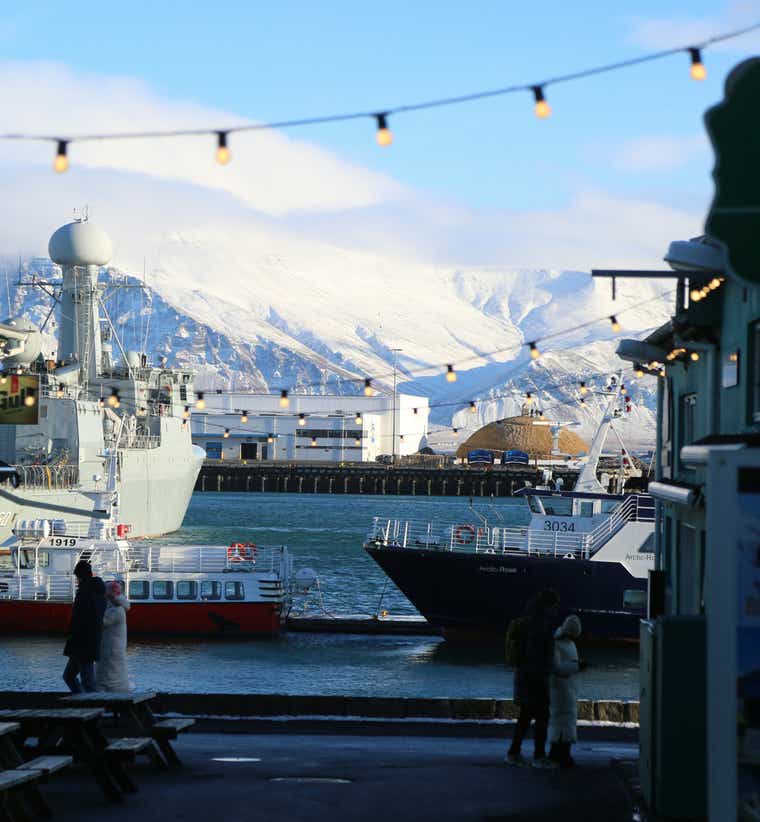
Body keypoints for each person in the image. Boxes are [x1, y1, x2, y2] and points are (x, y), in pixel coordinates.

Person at [506, 589, 560, 769]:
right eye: (554, 606)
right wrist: (546, 675)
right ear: (547, 606)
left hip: (524, 676)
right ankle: (539, 756)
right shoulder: (541, 625)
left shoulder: (528, 619)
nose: (555, 610)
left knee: (526, 716)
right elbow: (539, 654)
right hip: (535, 679)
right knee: (542, 717)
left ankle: (514, 753)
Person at [62, 560, 104, 693]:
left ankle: (93, 707)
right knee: (70, 676)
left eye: (77, 577)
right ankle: (82, 701)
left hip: (82, 643)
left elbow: (79, 618)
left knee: (87, 682)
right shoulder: (99, 592)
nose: (76, 581)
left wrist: (72, 632)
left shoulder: (84, 592)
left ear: (81, 576)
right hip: (90, 641)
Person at [548, 614, 583, 768]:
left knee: (562, 721)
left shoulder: (563, 643)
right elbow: (556, 668)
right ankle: (560, 754)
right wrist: (577, 667)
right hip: (561, 688)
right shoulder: (563, 644)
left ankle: (560, 753)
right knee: (563, 721)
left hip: (565, 688)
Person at [96, 581, 131, 692]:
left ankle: (107, 696)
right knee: (114, 673)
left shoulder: (116, 610)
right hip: (114, 648)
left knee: (109, 675)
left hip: (111, 649)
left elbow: (102, 622)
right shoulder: (117, 607)